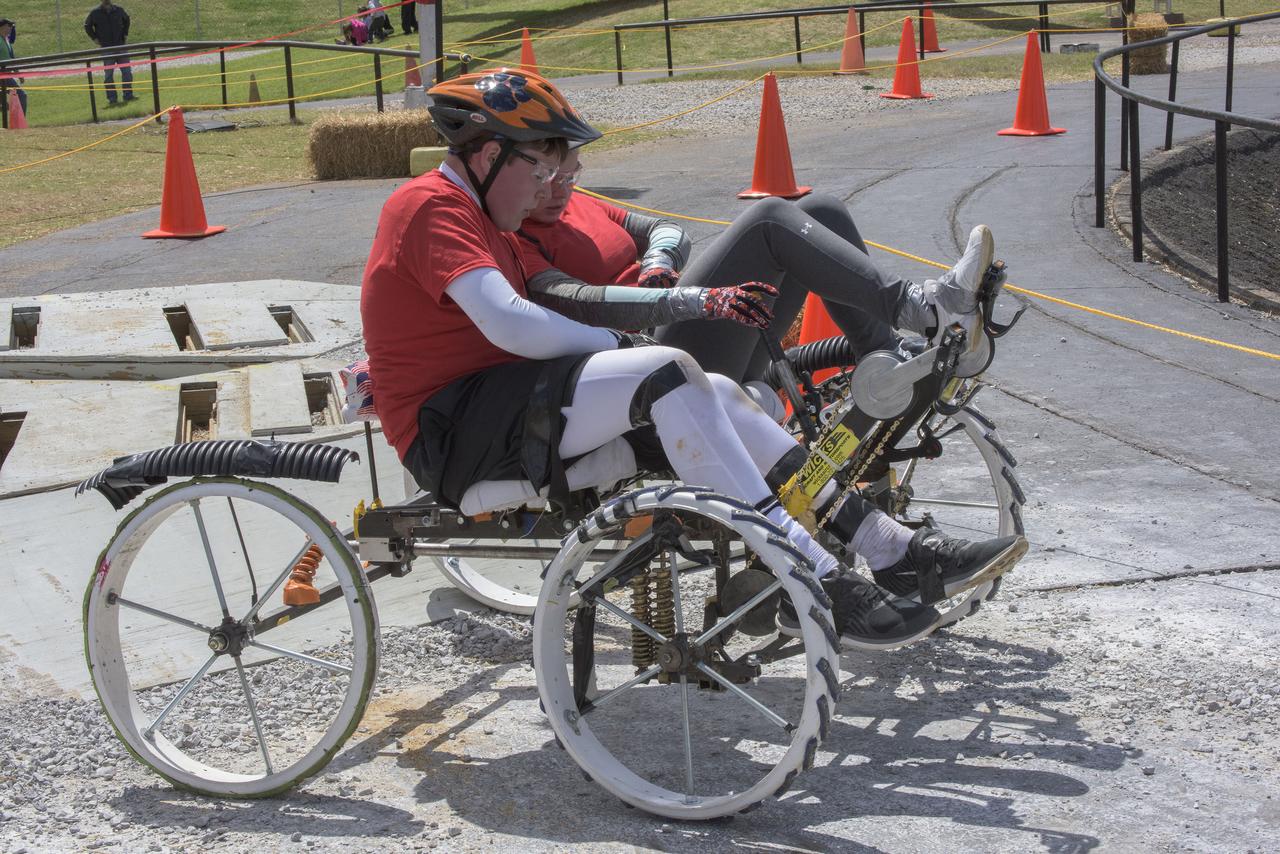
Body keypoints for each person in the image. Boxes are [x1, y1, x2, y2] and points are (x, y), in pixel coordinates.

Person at [361, 69, 1026, 650]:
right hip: (461, 428)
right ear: (486, 155)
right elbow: (515, 319)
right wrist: (657, 325)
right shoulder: (432, 206)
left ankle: (889, 546)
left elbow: (634, 251)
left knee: (717, 386)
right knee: (675, 365)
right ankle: (811, 575)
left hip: (514, 402)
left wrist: (657, 293)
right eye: (539, 170)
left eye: (561, 171)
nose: (549, 187)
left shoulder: (492, 220)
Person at [516, 145, 998, 389]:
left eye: (571, 173)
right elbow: (585, 304)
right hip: (647, 358)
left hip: (696, 323)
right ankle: (926, 310)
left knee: (822, 210)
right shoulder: (516, 237)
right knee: (769, 219)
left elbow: (666, 230)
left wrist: (659, 260)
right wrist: (686, 298)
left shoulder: (578, 204)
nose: (560, 188)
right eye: (549, 176)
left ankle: (888, 359)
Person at [84, 0, 133, 106]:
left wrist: (125, 33)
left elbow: (127, 20)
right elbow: (87, 25)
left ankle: (128, 95)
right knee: (108, 75)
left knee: (127, 72)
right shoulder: (95, 13)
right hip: (106, 49)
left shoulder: (119, 10)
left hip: (121, 46)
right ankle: (112, 99)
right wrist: (94, 38)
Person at [0, 18, 26, 118]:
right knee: (21, 95)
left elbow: (12, 59)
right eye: (9, 26)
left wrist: (18, 74)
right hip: (2, 75)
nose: (11, 28)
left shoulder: (6, 40)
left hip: (6, 75)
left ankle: (19, 121)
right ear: (2, 27)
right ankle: (20, 122)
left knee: (20, 96)